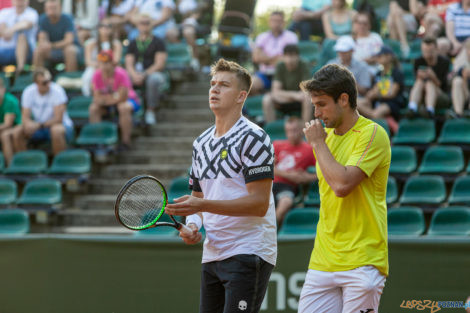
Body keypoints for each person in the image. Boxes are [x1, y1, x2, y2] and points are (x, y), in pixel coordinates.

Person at [165, 58, 276, 313]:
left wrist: (201, 205)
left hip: (248, 250)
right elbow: (199, 197)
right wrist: (193, 225)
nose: (214, 89)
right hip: (212, 253)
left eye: (224, 85)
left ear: (241, 96)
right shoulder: (200, 143)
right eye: (213, 84)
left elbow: (259, 205)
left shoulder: (254, 138)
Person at [298, 63, 390, 313]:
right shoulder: (326, 139)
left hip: (363, 260)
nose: (316, 113)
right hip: (323, 259)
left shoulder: (372, 133)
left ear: (344, 99)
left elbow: (341, 185)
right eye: (314, 105)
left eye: (322, 104)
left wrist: (317, 144)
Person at [5, 68, 73, 164]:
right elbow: (25, 117)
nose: (48, 84)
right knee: (17, 132)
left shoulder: (57, 90)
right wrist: (28, 124)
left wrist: (38, 125)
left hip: (62, 126)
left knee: (56, 130)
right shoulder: (28, 91)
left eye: (49, 80)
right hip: (40, 126)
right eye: (44, 82)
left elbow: (58, 119)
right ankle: (27, 165)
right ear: (36, 83)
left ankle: (61, 165)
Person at [89, 50, 140, 149]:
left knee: (123, 107)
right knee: (93, 108)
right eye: (101, 63)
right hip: (109, 102)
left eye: (106, 62)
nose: (104, 66)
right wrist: (111, 99)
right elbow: (96, 97)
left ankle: (126, 141)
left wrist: (106, 99)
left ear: (112, 63)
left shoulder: (121, 73)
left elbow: (123, 97)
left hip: (130, 100)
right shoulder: (97, 75)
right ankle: (99, 142)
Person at [272, 116, 316, 225]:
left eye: (294, 130)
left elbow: (323, 172)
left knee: (286, 203)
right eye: (288, 131)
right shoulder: (277, 145)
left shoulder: (309, 149)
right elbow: (267, 168)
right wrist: (291, 176)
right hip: (269, 183)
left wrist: (307, 178)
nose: (291, 134)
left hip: (287, 187)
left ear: (301, 130)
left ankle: (269, 235)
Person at [125, 13, 167, 125]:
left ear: (152, 25)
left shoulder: (158, 42)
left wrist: (144, 74)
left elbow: (159, 64)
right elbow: (129, 63)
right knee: (123, 77)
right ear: (137, 25)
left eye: (147, 23)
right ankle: (129, 108)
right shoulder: (133, 42)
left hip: (153, 73)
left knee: (153, 79)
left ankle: (150, 110)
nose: (144, 26)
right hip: (136, 72)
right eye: (141, 23)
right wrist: (134, 75)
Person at [262, 44, 312, 123]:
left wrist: (295, 96)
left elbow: (306, 90)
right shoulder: (280, 66)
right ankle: (272, 130)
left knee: (307, 98)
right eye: (287, 56)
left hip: (300, 100)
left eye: (292, 56)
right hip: (286, 99)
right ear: (283, 56)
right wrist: (294, 95)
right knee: (267, 99)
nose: (290, 59)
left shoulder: (303, 65)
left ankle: (306, 128)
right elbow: (275, 91)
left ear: (298, 56)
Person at [251, 11, 298, 94]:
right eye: (273, 21)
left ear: (284, 23)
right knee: (250, 85)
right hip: (264, 74)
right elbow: (256, 58)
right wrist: (277, 57)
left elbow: (289, 59)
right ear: (269, 22)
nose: (276, 24)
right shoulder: (262, 37)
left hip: (284, 74)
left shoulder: (291, 36)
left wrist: (265, 59)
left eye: (279, 21)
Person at [357, 45, 405, 123]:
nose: (377, 58)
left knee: (375, 115)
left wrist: (377, 95)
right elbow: (375, 90)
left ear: (389, 57)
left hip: (392, 102)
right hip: (378, 101)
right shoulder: (379, 73)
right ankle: (385, 120)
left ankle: (387, 122)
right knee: (355, 104)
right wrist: (370, 95)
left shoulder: (397, 73)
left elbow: (392, 94)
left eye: (380, 56)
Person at [406, 36, 450, 118]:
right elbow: (417, 83)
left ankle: (430, 110)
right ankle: (412, 107)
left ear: (436, 49)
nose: (427, 53)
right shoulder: (418, 61)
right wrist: (420, 76)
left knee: (429, 83)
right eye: (425, 50)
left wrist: (432, 76)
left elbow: (442, 84)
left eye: (430, 51)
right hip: (422, 94)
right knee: (420, 82)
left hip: (441, 95)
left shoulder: (444, 62)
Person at [33, 0, 81, 72]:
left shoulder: (67, 19)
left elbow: (69, 41)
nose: (51, 10)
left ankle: (70, 78)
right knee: (38, 51)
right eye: (49, 8)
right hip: (52, 50)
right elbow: (42, 38)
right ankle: (39, 78)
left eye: (54, 8)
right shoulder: (43, 19)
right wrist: (44, 44)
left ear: (60, 8)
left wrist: (52, 45)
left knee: (69, 50)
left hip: (69, 49)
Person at [81, 18, 122, 97]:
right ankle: (88, 95)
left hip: (111, 68)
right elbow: (88, 61)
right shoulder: (90, 43)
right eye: (102, 26)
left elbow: (116, 60)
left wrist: (106, 66)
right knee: (87, 76)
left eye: (108, 26)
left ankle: (115, 94)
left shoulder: (116, 44)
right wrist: (100, 66)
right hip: (95, 67)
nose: (105, 29)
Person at [0, 0, 38, 74]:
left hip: (27, 51)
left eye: (22, 0)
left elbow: (26, 24)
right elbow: (2, 27)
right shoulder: (5, 12)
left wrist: (10, 30)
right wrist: (5, 32)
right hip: (4, 49)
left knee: (21, 36)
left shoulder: (31, 13)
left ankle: (20, 70)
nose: (19, 2)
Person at [0, 78, 21, 164]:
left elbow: (7, 124)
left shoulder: (10, 101)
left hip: (15, 127)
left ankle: (10, 165)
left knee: (5, 135)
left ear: (3, 89)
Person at [451, 39, 470, 117]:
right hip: (465, 95)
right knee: (457, 81)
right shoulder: (461, 62)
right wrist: (465, 78)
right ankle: (458, 113)